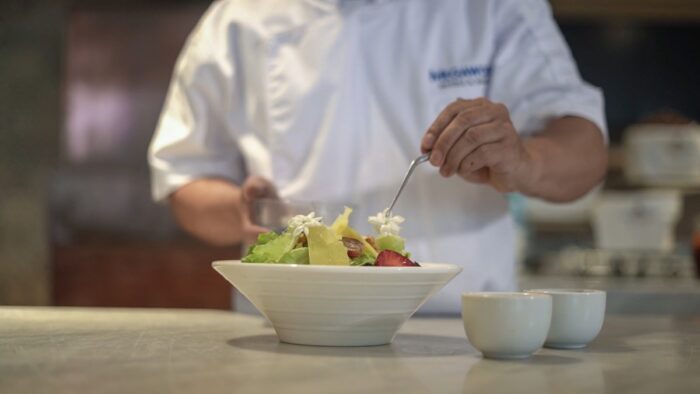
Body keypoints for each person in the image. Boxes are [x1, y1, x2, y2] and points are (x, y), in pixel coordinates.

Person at [148, 0, 607, 313]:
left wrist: (524, 160)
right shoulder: (238, 17)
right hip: (287, 333)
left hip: (463, 331)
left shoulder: (489, 8)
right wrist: (240, 211)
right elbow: (184, 178)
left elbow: (586, 149)